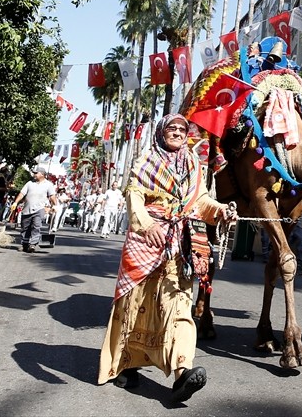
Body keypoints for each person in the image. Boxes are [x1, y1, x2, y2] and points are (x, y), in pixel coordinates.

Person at [98, 114, 236, 400]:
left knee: (180, 305)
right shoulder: (145, 161)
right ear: (161, 132)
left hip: (179, 245)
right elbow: (134, 195)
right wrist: (146, 224)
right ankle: (126, 363)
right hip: (144, 241)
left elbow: (200, 201)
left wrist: (221, 211)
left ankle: (183, 371)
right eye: (171, 128)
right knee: (135, 305)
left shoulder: (192, 164)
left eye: (182, 129)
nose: (176, 132)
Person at [12, 167, 58, 253]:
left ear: (42, 174)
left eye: (36, 173)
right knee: (25, 227)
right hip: (27, 209)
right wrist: (15, 202)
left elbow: (52, 196)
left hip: (39, 209)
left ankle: (33, 244)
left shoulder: (48, 185)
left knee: (36, 226)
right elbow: (22, 193)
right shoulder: (29, 183)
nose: (34, 175)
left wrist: (55, 205)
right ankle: (25, 244)